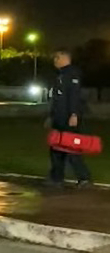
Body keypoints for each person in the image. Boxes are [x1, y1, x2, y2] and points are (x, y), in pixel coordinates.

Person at [47, 49, 91, 187]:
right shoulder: (61, 75)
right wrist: (51, 116)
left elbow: (74, 96)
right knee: (56, 148)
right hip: (59, 118)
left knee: (70, 149)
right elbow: (57, 99)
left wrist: (74, 114)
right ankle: (56, 178)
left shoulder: (72, 74)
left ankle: (84, 178)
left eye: (57, 58)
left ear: (65, 58)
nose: (55, 61)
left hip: (68, 118)